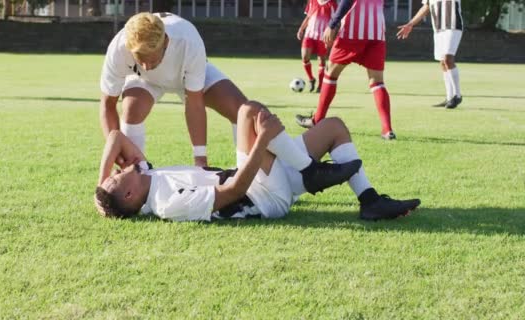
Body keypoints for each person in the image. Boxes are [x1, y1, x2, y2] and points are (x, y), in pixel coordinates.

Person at [94, 100, 421, 222]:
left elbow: (115, 139)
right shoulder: (167, 203)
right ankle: (311, 172)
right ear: (128, 196)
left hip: (268, 177)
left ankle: (369, 201)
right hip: (263, 197)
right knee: (249, 113)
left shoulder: (148, 177)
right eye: (115, 179)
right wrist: (263, 141)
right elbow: (234, 191)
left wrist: (100, 187)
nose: (118, 170)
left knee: (333, 127)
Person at [99, 12, 247, 169]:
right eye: (140, 60)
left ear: (166, 43)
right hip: (146, 81)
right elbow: (108, 105)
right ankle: (136, 171)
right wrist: (117, 150)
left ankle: (248, 173)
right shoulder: (118, 49)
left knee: (241, 109)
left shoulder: (189, 41)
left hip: (185, 74)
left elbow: (194, 103)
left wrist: (200, 160)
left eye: (152, 60)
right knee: (131, 109)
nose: (147, 67)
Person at [295, 0, 396, 140]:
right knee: (377, 82)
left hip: (352, 31)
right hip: (376, 31)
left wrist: (332, 24)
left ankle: (317, 120)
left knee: (330, 74)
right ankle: (387, 130)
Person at [397, 0, 464, 109]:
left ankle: (457, 95)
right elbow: (426, 6)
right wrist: (410, 24)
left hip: (453, 25)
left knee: (448, 58)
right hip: (438, 28)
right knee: (443, 62)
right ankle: (449, 97)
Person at [296, 0, 337, 93]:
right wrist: (301, 29)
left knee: (322, 61)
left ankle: (320, 86)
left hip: (323, 36)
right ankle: (311, 79)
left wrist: (333, 36)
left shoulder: (332, 3)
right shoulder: (312, 1)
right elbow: (308, 16)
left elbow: (336, 20)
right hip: (309, 34)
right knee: (305, 57)